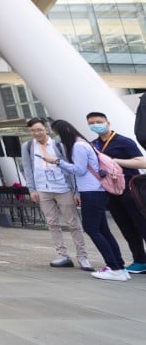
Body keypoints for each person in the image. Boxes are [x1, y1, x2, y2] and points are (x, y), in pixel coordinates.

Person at [43, 119, 129, 281]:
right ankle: (119, 267)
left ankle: (115, 268)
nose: (57, 139)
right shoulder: (85, 143)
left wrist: (57, 162)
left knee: (91, 229)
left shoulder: (78, 146)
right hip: (97, 191)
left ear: (64, 132)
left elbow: (79, 170)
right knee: (103, 230)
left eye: (57, 134)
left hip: (91, 192)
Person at [20, 118, 91, 270]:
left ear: (46, 129)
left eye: (39, 130)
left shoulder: (59, 145)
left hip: (63, 188)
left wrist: (76, 190)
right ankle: (63, 255)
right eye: (33, 131)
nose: (36, 133)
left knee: (73, 223)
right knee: (52, 223)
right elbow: (27, 169)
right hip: (43, 189)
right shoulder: (27, 146)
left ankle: (82, 256)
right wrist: (31, 190)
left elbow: (71, 168)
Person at [86, 111, 146, 274]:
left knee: (142, 225)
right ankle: (140, 261)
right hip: (111, 193)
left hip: (130, 190)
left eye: (98, 121)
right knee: (126, 228)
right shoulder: (93, 145)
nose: (95, 125)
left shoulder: (123, 142)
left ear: (108, 123)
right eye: (91, 123)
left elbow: (142, 162)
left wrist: (114, 162)